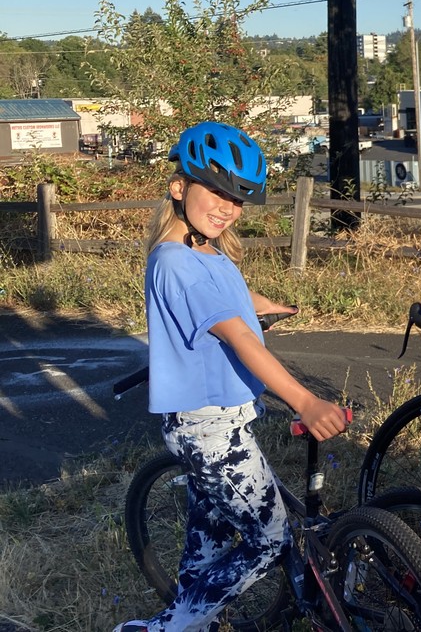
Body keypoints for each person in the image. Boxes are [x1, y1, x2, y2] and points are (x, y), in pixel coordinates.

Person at [115, 122, 347, 632]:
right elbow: (237, 336)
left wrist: (267, 306)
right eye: (217, 192)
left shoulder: (208, 252)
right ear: (179, 187)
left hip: (216, 423)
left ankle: (188, 619)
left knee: (209, 540)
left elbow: (233, 305)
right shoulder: (175, 262)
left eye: (238, 199)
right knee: (270, 538)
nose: (227, 207)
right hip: (210, 429)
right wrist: (304, 401)